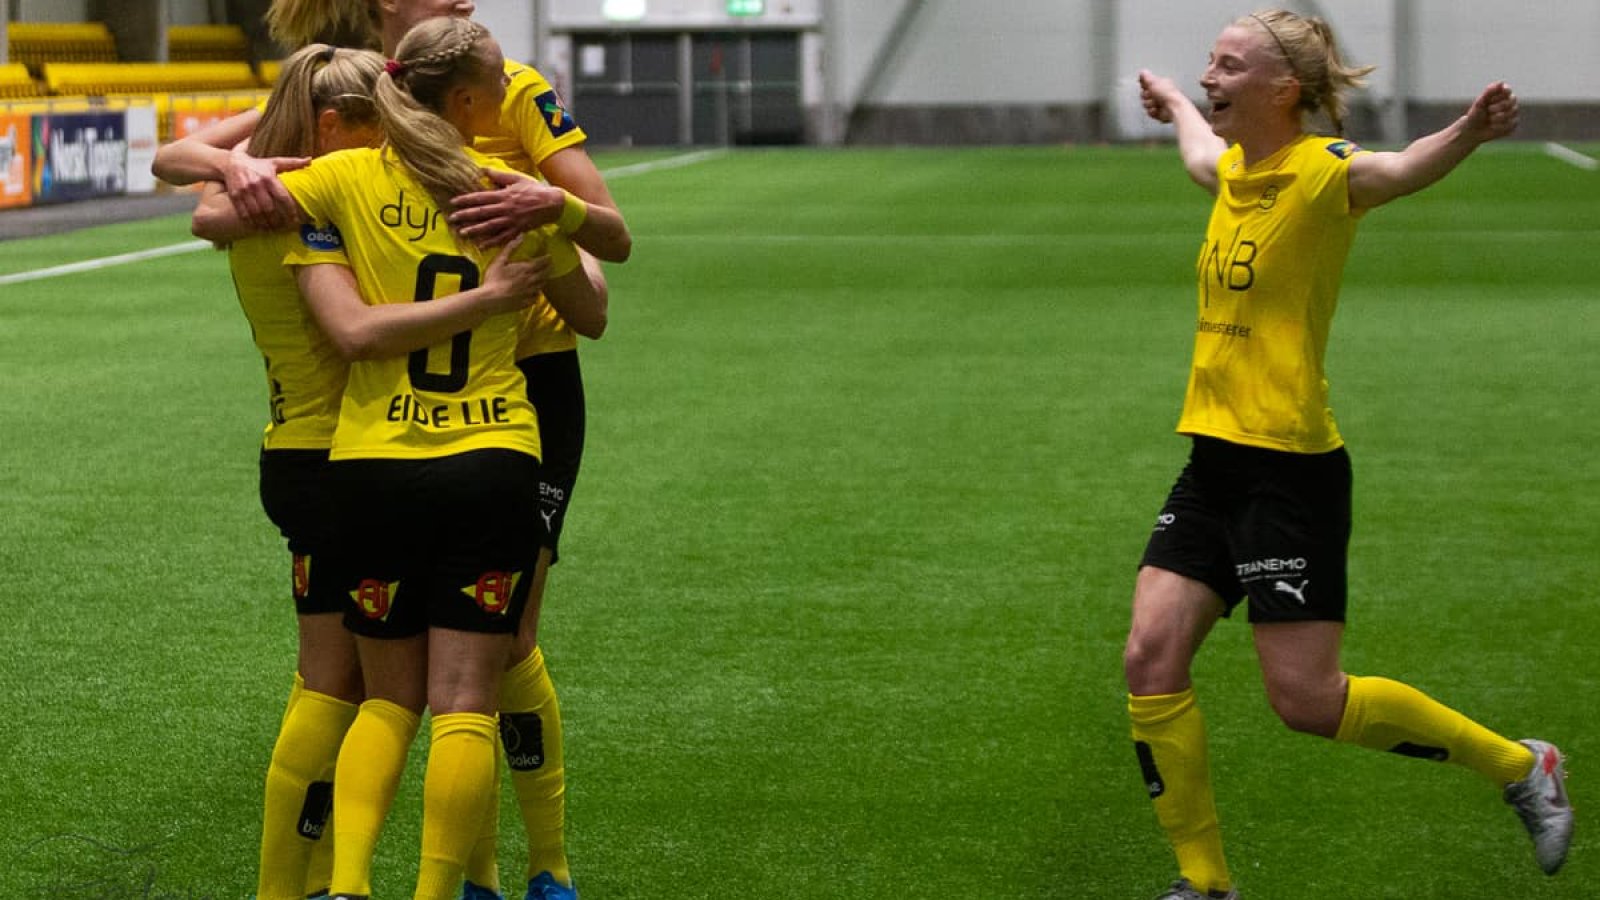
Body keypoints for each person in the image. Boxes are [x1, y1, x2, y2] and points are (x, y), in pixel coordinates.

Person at [159, 7, 627, 895]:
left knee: (366, 692)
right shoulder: (502, 193)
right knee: (458, 690)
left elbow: (200, 209)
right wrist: (530, 253)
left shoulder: (319, 190)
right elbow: (600, 284)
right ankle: (476, 877)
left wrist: (230, 165)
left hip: (347, 454)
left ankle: (328, 885)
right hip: (469, 445)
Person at [1125, 9, 1572, 899]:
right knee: (1149, 659)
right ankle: (1204, 884)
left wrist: (1468, 132)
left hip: (1288, 470)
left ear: (1282, 89)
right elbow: (1197, 154)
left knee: (1307, 701)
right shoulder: (1236, 172)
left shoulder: (1323, 172)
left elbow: (1399, 170)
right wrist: (1172, 101)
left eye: (1227, 66)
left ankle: (1522, 766)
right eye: (1208, 63)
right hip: (1213, 462)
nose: (1211, 76)